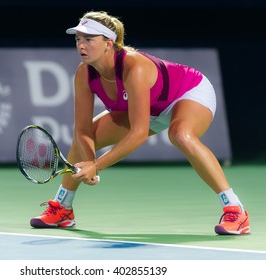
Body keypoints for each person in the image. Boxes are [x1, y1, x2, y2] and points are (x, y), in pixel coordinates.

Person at [30, 11, 250, 235]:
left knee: (180, 135)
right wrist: (88, 163)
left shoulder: (134, 67)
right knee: (88, 136)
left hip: (187, 93)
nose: (81, 46)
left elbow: (139, 133)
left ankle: (235, 210)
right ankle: (63, 208)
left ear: (108, 43)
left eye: (89, 39)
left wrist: (97, 165)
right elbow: (82, 130)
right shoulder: (84, 74)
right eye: (78, 39)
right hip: (149, 108)